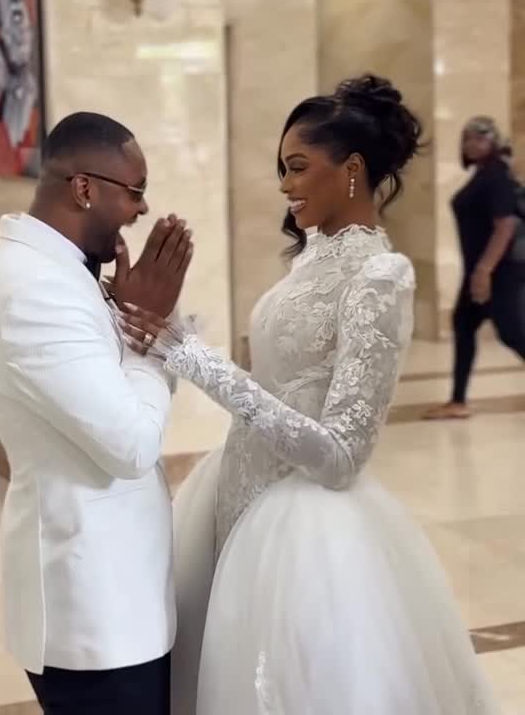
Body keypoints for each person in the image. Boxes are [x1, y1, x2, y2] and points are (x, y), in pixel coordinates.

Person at [121, 76, 498, 715]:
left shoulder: (381, 276)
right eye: (281, 170)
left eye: (297, 168)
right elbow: (270, 376)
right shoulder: (312, 257)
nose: (285, 185)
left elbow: (341, 456)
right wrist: (169, 328)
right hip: (232, 493)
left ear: (351, 170)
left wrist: (192, 358)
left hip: (300, 527)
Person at [0, 112, 192, 715]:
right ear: (85, 188)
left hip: (116, 593)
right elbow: (130, 445)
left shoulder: (60, 271)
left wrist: (131, 323)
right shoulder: (33, 289)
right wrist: (149, 339)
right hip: (94, 612)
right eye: (135, 190)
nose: (142, 209)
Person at [425, 116, 525, 420]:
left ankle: (458, 400)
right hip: (482, 270)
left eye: (479, 138)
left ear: (493, 142)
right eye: (467, 138)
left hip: (498, 271)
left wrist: (484, 271)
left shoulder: (496, 175)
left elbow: (505, 225)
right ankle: (458, 401)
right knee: (464, 325)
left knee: (512, 332)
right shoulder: (485, 175)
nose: (472, 143)